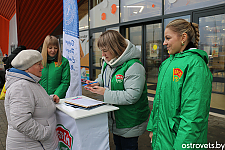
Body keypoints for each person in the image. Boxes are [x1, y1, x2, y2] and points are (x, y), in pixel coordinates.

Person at [147, 19, 213, 149]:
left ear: (183, 37)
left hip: (178, 141)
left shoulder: (195, 65)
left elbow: (193, 115)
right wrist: (153, 128)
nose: (164, 43)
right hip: (161, 137)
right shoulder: (166, 64)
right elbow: (158, 102)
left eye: (168, 38)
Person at [85, 30, 150, 150]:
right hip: (116, 118)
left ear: (115, 48)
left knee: (128, 146)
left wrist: (105, 92)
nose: (103, 55)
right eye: (101, 51)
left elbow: (132, 96)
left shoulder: (134, 66)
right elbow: (104, 77)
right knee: (118, 146)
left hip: (129, 120)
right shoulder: (109, 62)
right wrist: (96, 83)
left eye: (105, 51)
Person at [4, 50, 59, 150]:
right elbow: (21, 122)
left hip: (36, 144)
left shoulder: (29, 82)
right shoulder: (20, 87)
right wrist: (46, 133)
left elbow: (33, 100)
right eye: (38, 64)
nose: (42, 67)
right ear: (27, 68)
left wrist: (50, 98)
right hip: (31, 145)